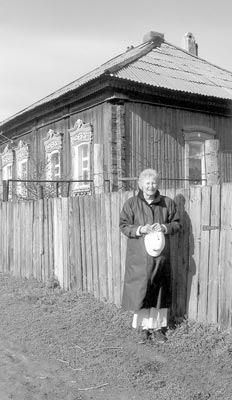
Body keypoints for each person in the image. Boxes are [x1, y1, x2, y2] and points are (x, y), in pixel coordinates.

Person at [119, 169, 180, 344]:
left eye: (153, 183)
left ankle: (158, 329)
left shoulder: (167, 203)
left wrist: (165, 227)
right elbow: (124, 226)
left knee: (159, 291)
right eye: (147, 183)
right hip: (139, 257)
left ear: (157, 184)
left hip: (160, 258)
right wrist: (140, 229)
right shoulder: (131, 204)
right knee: (142, 291)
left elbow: (176, 224)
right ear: (140, 185)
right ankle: (143, 329)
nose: (150, 186)